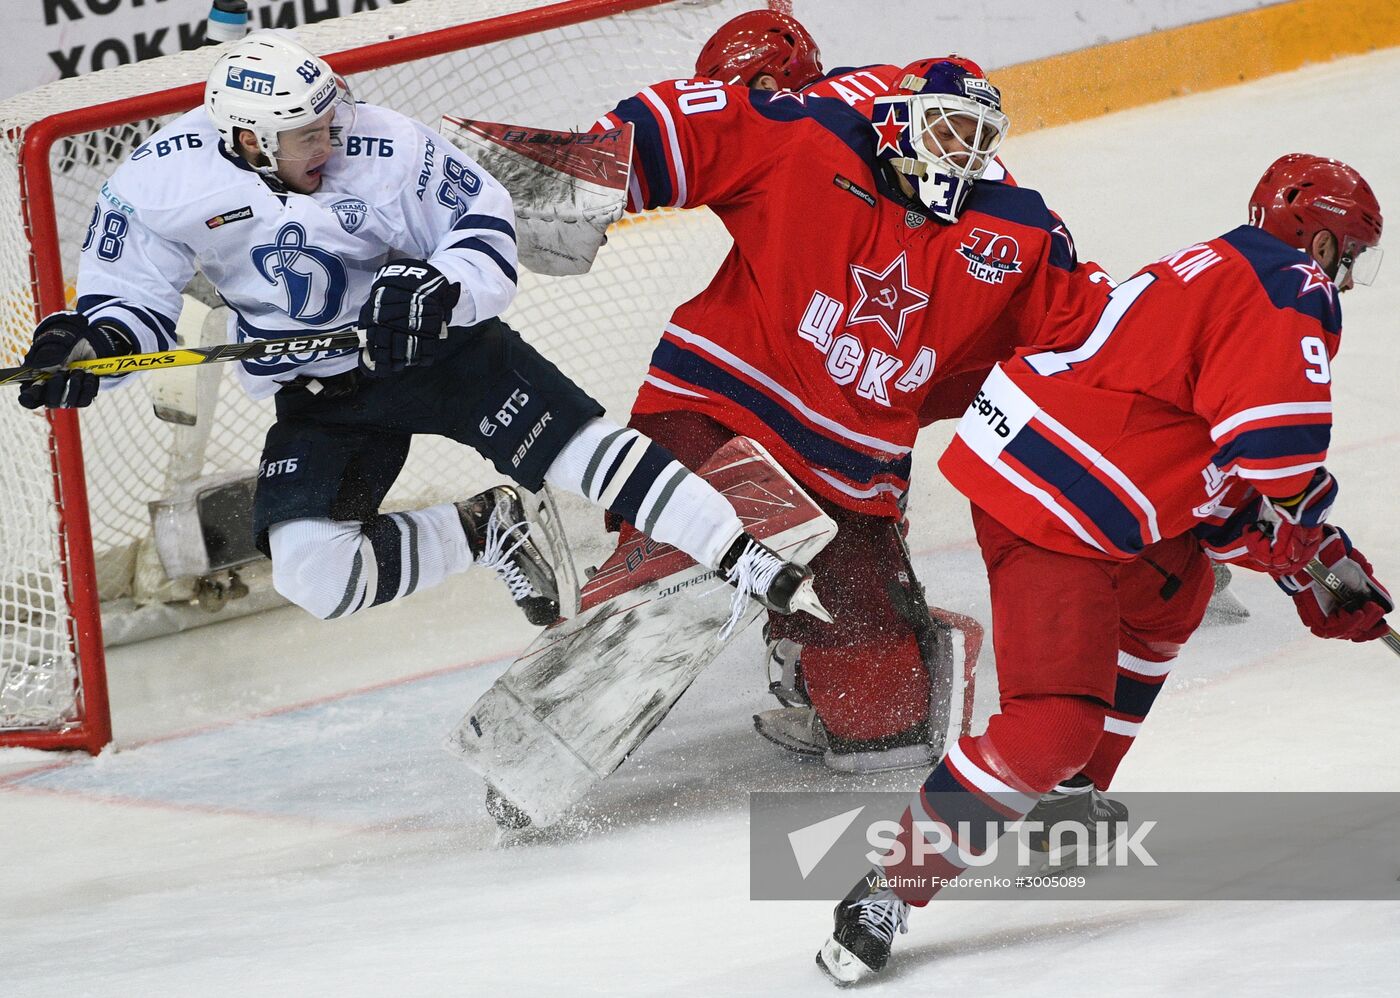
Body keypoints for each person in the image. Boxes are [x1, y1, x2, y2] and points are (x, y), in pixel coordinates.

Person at [14, 31, 826, 632]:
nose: (330, 139)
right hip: (321, 392)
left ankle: (743, 554)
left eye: (329, 119)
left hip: (438, 351)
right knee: (314, 577)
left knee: (583, 451)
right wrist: (90, 348)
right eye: (307, 134)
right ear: (250, 141)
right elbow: (127, 303)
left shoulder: (382, 144)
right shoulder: (159, 182)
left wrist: (438, 287)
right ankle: (485, 530)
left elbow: (485, 227)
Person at [816, 152, 1392, 984]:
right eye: (1350, 255)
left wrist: (1309, 562)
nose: (1344, 279)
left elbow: (1219, 495)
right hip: (1056, 498)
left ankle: (1069, 792)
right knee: (1051, 727)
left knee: (1177, 582)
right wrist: (1310, 537)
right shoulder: (1292, 285)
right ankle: (890, 885)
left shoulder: (1227, 269)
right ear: (1323, 240)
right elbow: (1277, 454)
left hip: (1063, 462)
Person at [594, 60, 1113, 772]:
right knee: (665, 575)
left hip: (846, 474)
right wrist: (596, 167)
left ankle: (812, 645)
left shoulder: (1015, 230)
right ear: (900, 117)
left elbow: (1097, 343)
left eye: (977, 138)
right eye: (948, 129)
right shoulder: (816, 138)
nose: (961, 152)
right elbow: (692, 124)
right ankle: (632, 592)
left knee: (883, 722)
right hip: (718, 408)